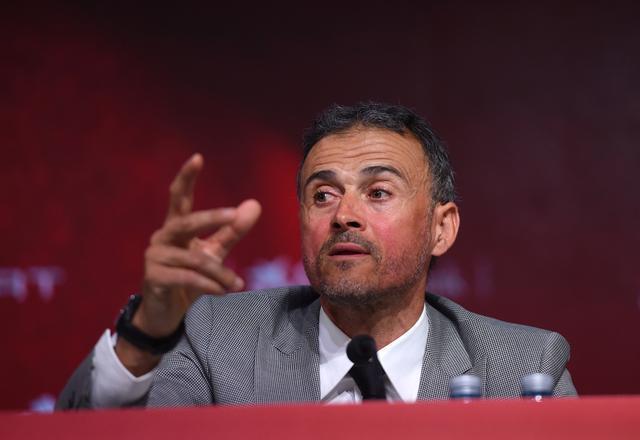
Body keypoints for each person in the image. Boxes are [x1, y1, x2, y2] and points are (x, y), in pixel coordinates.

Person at [57, 102, 576, 409]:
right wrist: (147, 334)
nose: (344, 215)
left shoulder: (524, 367)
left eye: (378, 193)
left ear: (441, 229)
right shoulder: (219, 342)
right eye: (323, 195)